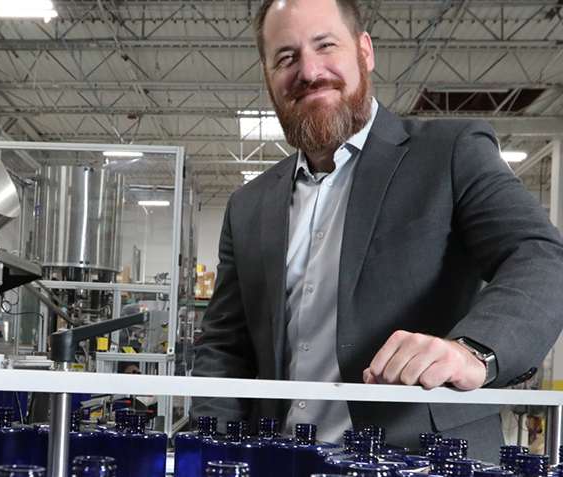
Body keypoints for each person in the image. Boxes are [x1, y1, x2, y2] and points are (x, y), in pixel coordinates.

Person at [190, 0, 563, 461]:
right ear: (268, 76)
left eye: (326, 45)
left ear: (364, 51)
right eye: (286, 57)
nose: (309, 71)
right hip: (281, 460)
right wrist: (213, 451)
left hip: (422, 460)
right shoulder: (249, 205)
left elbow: (539, 255)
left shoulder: (449, 153)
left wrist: (473, 351)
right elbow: (225, 347)